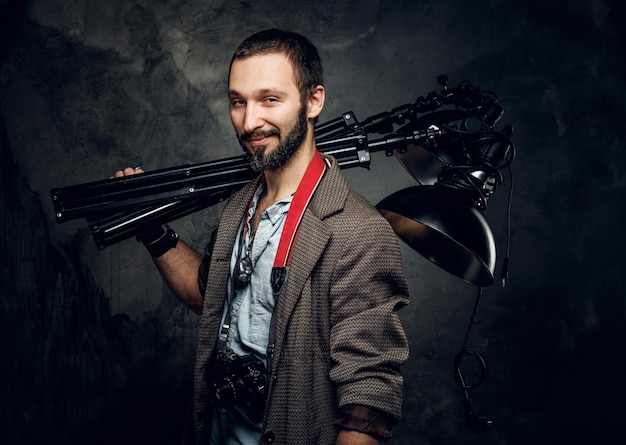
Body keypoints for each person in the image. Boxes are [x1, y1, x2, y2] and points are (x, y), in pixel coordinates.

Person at [115, 29, 410, 445]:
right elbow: (210, 295)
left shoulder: (357, 230)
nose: (250, 121)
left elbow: (368, 400)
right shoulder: (242, 204)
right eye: (239, 101)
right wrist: (151, 230)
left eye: (269, 99)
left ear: (313, 101)